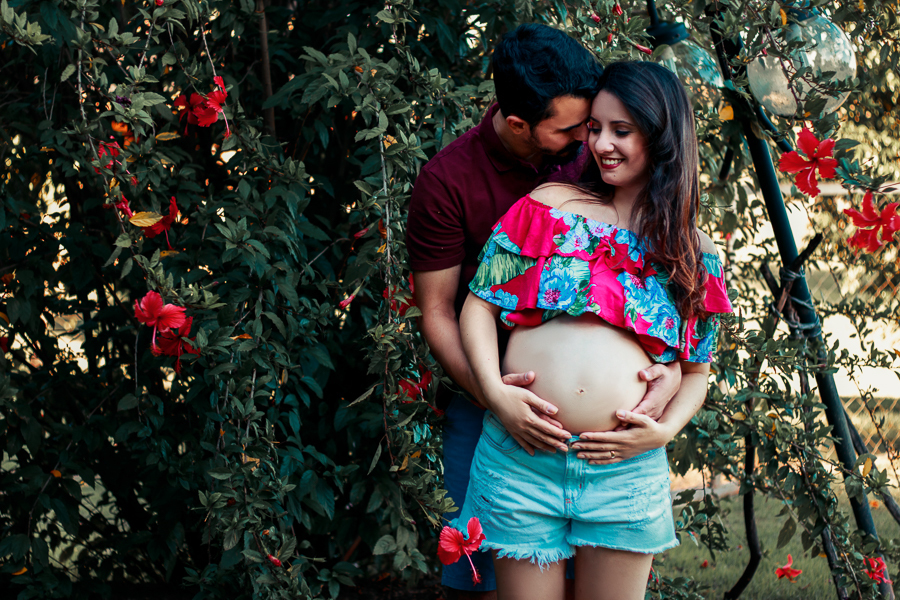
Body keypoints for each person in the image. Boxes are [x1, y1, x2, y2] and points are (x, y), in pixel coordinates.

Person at [407, 25, 683, 599]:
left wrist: (674, 374)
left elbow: (675, 328)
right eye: (577, 130)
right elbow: (440, 310)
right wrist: (498, 399)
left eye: (605, 128)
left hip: (612, 462)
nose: (593, 142)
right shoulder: (450, 183)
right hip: (494, 404)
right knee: (472, 574)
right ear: (518, 126)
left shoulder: (607, 165)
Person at [454, 61, 734, 600]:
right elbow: (478, 308)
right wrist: (495, 395)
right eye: (595, 128)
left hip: (623, 472)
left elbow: (697, 372)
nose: (602, 144)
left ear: (661, 134)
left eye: (621, 131)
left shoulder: (691, 252)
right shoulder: (548, 207)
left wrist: (666, 430)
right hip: (523, 457)